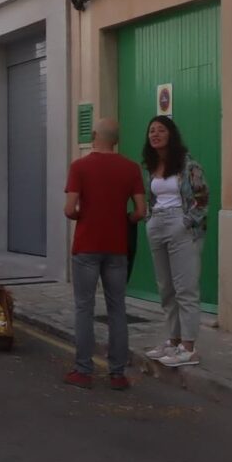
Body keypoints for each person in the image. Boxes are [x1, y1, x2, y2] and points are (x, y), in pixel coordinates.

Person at [64, 119, 147, 390]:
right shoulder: (131, 168)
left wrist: (82, 215)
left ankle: (83, 371)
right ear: (116, 139)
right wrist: (126, 219)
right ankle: (117, 374)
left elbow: (69, 209)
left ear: (94, 135)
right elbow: (140, 211)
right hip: (117, 247)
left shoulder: (79, 167)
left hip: (87, 245)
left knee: (84, 308)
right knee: (117, 309)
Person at [142, 116, 209, 368]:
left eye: (161, 130)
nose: (155, 134)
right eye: (151, 131)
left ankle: (189, 347)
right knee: (166, 288)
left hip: (180, 225)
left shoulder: (189, 165)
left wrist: (185, 223)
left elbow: (202, 199)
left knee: (185, 288)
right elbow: (150, 198)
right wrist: (149, 220)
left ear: (171, 134)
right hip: (157, 224)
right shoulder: (149, 166)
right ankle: (173, 341)